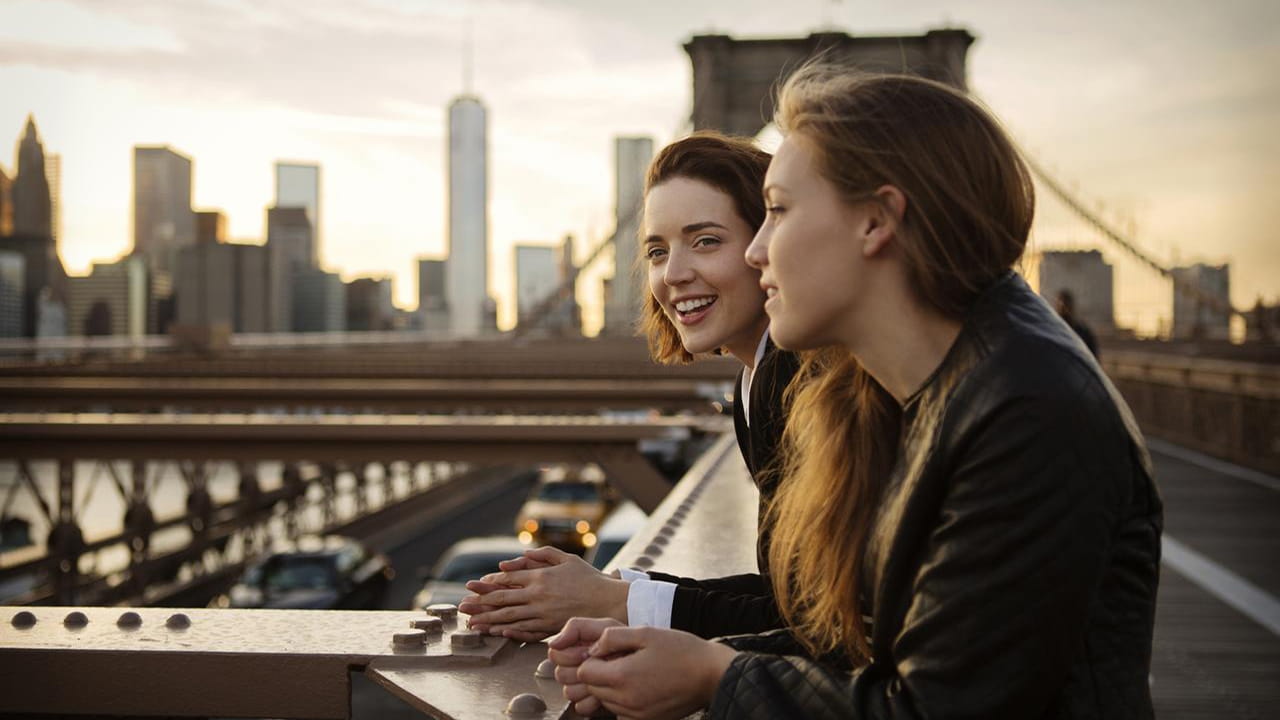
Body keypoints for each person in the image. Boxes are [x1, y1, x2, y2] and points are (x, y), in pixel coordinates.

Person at [549, 67, 1162, 720]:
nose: (757, 251)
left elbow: (932, 707)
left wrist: (714, 674)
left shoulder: (1026, 412)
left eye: (778, 211)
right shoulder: (952, 385)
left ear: (876, 221)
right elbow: (872, 646)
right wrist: (686, 654)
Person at [459, 132, 802, 642]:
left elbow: (824, 623)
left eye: (706, 241)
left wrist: (616, 602)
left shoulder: (798, 379)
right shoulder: (756, 381)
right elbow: (793, 599)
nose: (674, 274)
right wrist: (620, 590)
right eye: (657, 252)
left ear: (768, 246)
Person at [1055, 288, 1100, 358]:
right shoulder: (1053, 330)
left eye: (1066, 304)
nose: (1063, 307)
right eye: (1060, 304)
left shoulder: (1082, 331)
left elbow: (1092, 355)